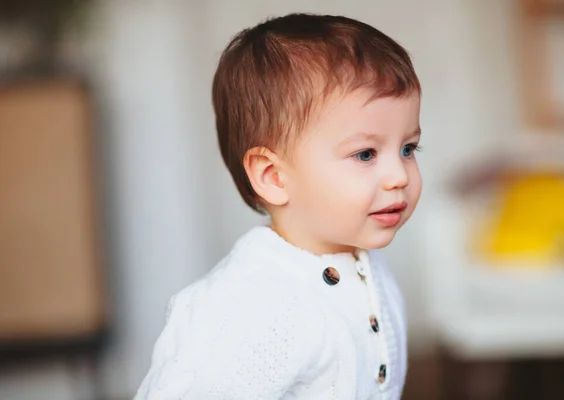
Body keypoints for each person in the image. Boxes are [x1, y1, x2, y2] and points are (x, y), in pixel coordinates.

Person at [135, 12, 422, 399]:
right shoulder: (250, 304)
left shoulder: (365, 263)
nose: (399, 176)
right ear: (273, 176)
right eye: (366, 154)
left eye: (408, 148)